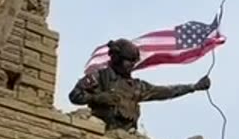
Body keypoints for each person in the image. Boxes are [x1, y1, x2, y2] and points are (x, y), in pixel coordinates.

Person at [68, 38, 210, 132]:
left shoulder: (136, 87)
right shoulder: (99, 77)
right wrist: (97, 98)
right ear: (117, 58)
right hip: (101, 134)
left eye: (133, 62)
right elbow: (74, 96)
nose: (131, 65)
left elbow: (166, 91)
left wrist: (193, 87)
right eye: (128, 61)